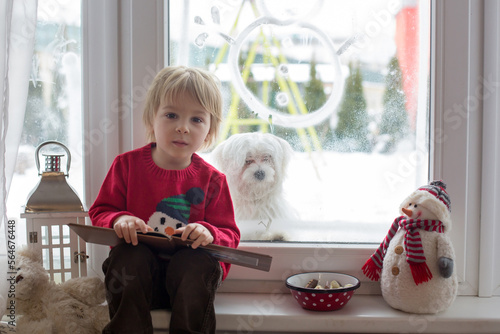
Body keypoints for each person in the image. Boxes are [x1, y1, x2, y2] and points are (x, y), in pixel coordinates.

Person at [89, 66, 240, 334]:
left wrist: (208, 232)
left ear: (209, 131)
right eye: (171, 115)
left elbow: (230, 235)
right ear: (151, 120)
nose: (182, 127)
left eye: (197, 120)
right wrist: (119, 219)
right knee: (129, 253)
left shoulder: (213, 180)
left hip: (192, 288)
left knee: (195, 261)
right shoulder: (126, 166)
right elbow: (101, 210)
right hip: (136, 283)